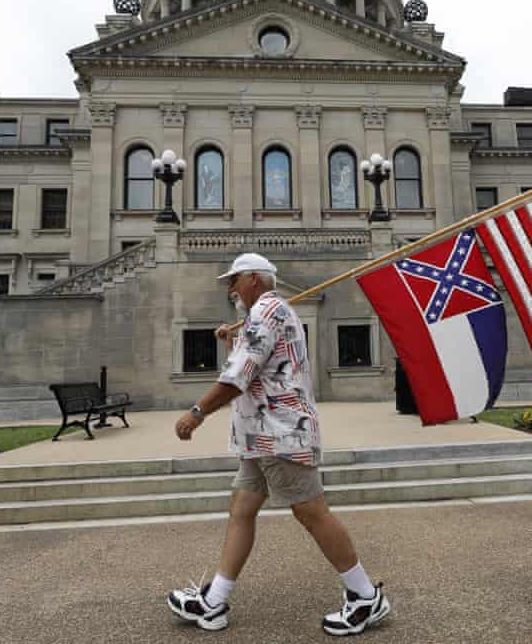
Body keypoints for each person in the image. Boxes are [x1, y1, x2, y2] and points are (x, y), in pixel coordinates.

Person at [168, 253, 392, 636]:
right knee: (242, 507)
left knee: (312, 512)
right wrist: (235, 340)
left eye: (235, 280)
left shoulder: (266, 311)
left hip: (280, 434)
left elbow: (238, 377)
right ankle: (215, 601)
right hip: (260, 436)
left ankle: (365, 596)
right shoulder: (266, 314)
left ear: (254, 279)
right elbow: (258, 366)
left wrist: (196, 412)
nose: (230, 288)